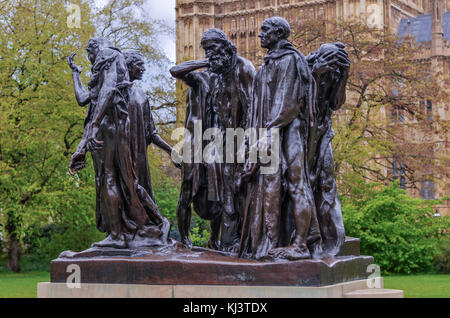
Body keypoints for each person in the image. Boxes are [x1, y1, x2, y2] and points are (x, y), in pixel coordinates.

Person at [67, 38, 170, 249]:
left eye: (89, 54)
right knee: (126, 181)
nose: (90, 60)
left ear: (94, 49)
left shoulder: (107, 55)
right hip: (118, 127)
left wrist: (94, 126)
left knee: (108, 179)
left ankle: (117, 236)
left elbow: (108, 90)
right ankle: (146, 224)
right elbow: (84, 99)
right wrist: (75, 73)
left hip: (108, 127)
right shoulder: (116, 60)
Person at [240, 17, 322, 260]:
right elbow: (259, 106)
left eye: (265, 30)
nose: (260, 35)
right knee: (273, 187)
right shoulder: (267, 65)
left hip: (289, 131)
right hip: (272, 131)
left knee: (297, 184)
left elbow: (287, 100)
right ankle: (270, 241)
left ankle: (300, 245)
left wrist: (271, 131)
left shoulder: (288, 60)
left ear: (278, 33)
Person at [170, 29, 256, 251]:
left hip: (225, 141)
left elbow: (252, 108)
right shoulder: (202, 77)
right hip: (197, 142)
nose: (210, 54)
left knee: (224, 189)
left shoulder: (241, 69)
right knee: (188, 190)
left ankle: (219, 239)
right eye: (206, 50)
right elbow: (175, 70)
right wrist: (206, 62)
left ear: (225, 47)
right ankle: (185, 238)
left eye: (212, 49)